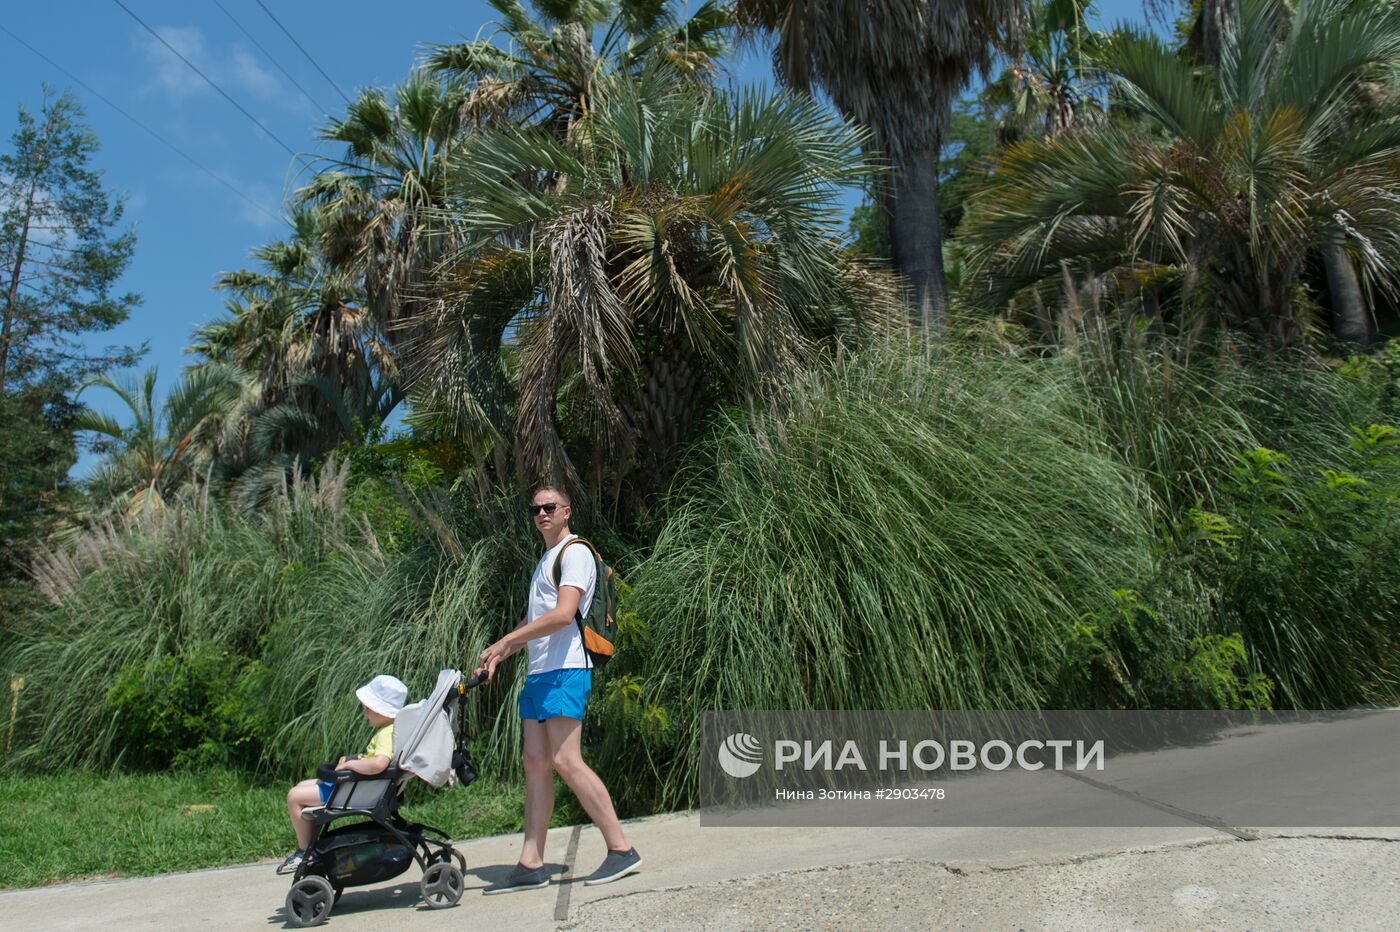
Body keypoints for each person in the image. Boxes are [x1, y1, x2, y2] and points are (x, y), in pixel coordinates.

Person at [475, 486, 641, 893]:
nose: (541, 514)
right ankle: (531, 862)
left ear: (566, 511)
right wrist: (506, 652)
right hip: (539, 673)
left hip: (566, 669)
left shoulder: (576, 552)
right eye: (535, 509)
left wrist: (506, 641)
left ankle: (621, 849)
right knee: (535, 762)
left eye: (549, 507)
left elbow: (565, 615)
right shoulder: (545, 559)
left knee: (566, 761)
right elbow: (540, 624)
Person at [276, 674, 409, 875]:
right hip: (359, 786)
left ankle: (305, 851)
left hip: (357, 790)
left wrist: (353, 764)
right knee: (301, 787)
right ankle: (313, 844)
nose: (364, 712)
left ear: (383, 710)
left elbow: (379, 763)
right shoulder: (391, 729)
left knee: (294, 797)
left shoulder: (386, 733)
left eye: (369, 708)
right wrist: (351, 759)